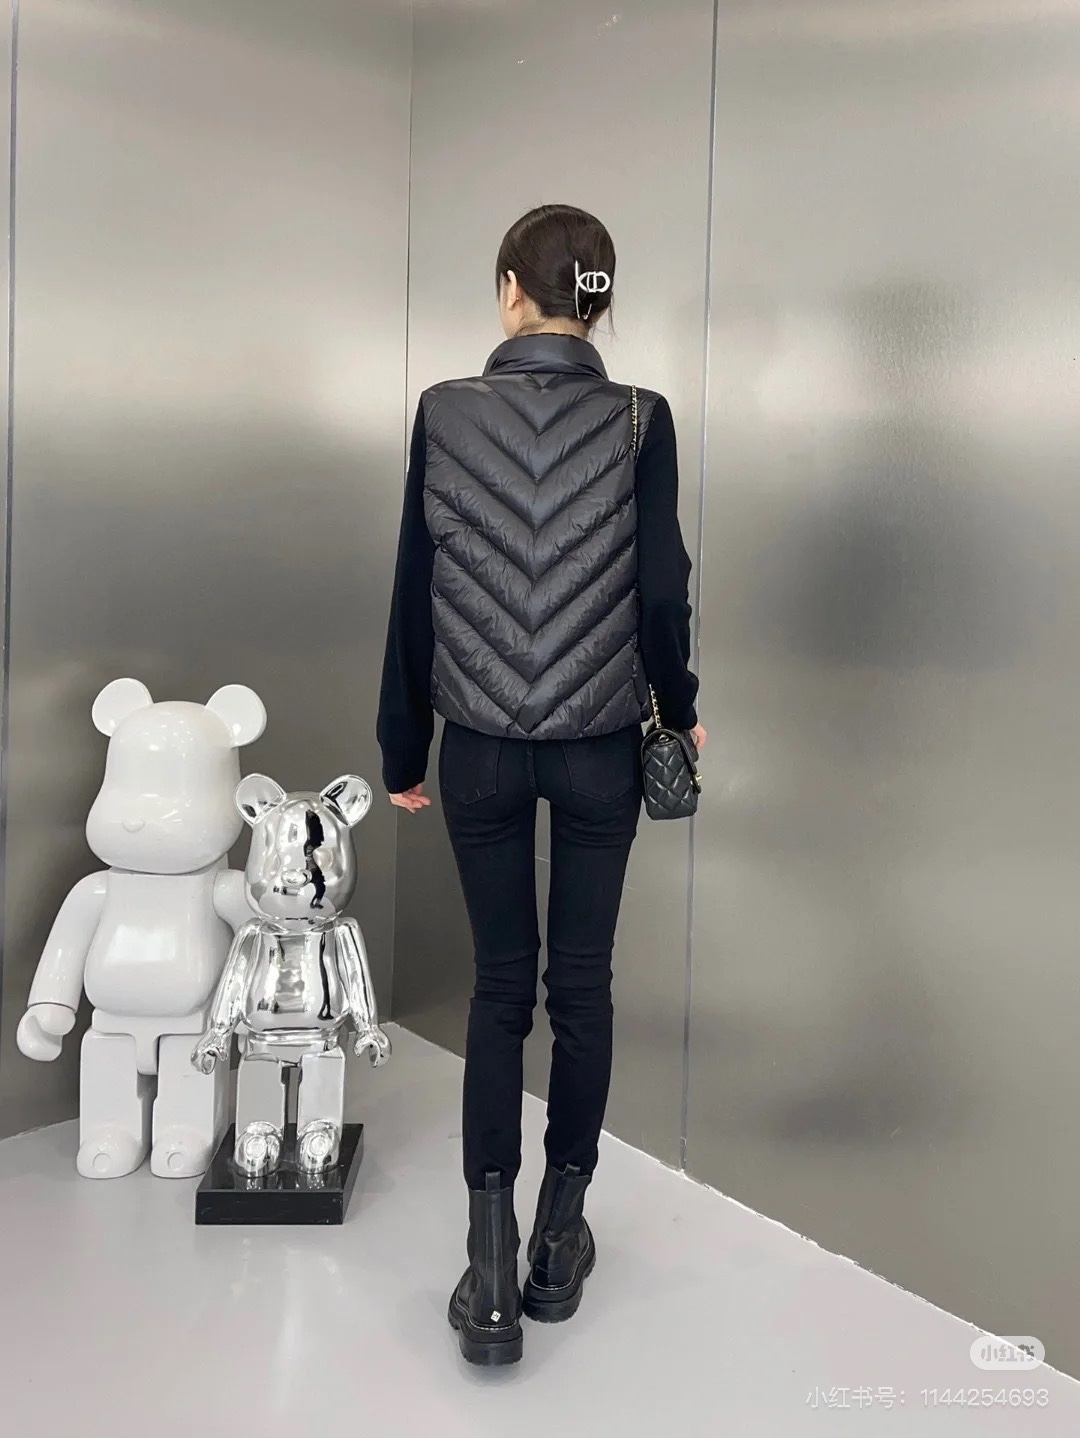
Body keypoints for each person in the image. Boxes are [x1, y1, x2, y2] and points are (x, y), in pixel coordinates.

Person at [377, 203, 704, 1367]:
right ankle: (562, 1235)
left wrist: (402, 747)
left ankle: (490, 1261)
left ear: (511, 289)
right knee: (583, 989)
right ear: (598, 302)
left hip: (477, 747)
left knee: (499, 991)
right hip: (599, 745)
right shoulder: (641, 418)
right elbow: (660, 588)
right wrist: (681, 703)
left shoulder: (443, 411)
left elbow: (415, 586)